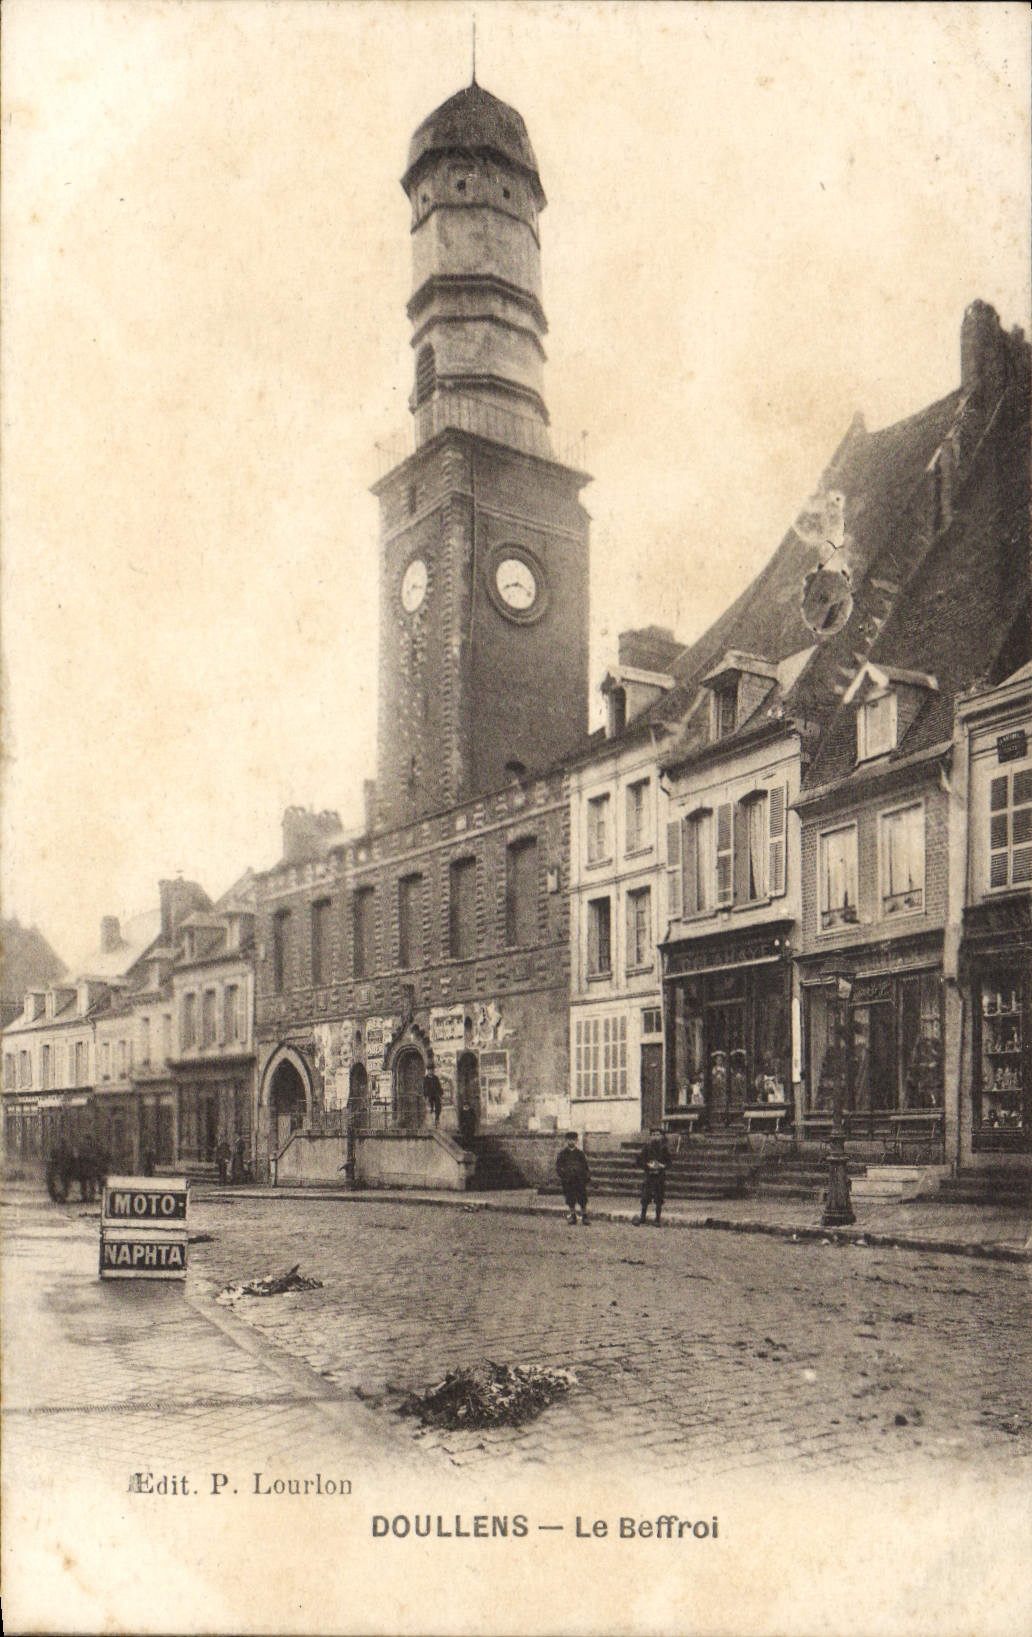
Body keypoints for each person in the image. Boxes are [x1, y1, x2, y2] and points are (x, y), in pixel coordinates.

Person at [635, 1126, 671, 1226]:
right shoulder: (646, 1148)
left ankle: (657, 1219)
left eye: (658, 1135)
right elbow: (639, 1161)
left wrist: (662, 1165)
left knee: (659, 1198)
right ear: (650, 1136)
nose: (655, 1137)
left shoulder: (664, 1149)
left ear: (661, 1137)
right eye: (653, 1135)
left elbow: (669, 1163)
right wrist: (647, 1165)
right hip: (649, 1176)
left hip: (659, 1177)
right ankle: (642, 1218)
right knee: (645, 1197)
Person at [555, 1131, 590, 1225]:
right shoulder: (562, 1154)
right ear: (566, 1141)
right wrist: (564, 1175)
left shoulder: (580, 1154)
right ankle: (573, 1216)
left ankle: (584, 1216)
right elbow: (558, 1167)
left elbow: (585, 1166)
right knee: (570, 1198)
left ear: (577, 1141)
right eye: (569, 1140)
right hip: (568, 1180)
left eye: (574, 1140)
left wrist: (585, 1177)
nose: (572, 1142)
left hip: (579, 1180)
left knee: (582, 1198)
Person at [423, 1062, 444, 1127]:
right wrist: (425, 1095)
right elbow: (424, 1087)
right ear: (428, 1070)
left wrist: (440, 1093)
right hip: (429, 1095)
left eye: (432, 1070)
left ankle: (437, 1118)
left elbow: (439, 1086)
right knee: (430, 1107)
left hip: (435, 1094)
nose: (431, 1071)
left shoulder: (435, 1078)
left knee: (438, 1106)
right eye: (429, 1070)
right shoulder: (425, 1079)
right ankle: (431, 1118)